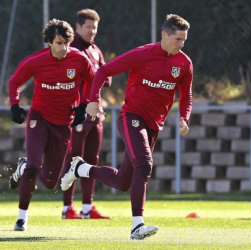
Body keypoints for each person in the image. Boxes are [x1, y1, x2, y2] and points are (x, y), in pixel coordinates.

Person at [61, 14, 192, 240]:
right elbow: (103, 72)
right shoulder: (142, 54)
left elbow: (186, 95)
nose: (181, 45)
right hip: (132, 117)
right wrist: (92, 100)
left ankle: (81, 169)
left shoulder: (184, 63)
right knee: (144, 164)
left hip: (154, 124)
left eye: (184, 40)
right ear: (164, 35)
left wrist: (184, 117)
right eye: (178, 39)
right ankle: (137, 226)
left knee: (123, 182)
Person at [8, 19, 95, 231]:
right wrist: (15, 106)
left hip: (63, 123)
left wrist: (84, 105)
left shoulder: (80, 59)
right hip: (39, 118)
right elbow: (14, 82)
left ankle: (22, 167)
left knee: (49, 182)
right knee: (34, 165)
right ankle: (22, 218)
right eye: (58, 43)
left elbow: (93, 80)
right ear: (49, 42)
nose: (63, 48)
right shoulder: (35, 60)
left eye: (66, 42)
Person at [61, 9, 112, 220]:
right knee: (74, 160)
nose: (92, 31)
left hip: (95, 115)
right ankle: (67, 208)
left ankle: (87, 207)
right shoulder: (71, 50)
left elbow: (104, 79)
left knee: (92, 160)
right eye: (88, 27)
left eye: (95, 28)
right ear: (78, 27)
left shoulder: (96, 51)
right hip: (78, 114)